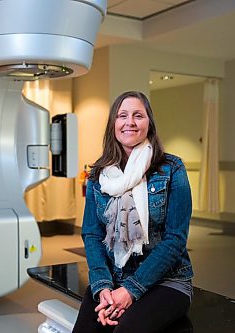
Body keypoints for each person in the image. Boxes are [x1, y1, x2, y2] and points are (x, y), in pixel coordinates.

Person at [72, 91, 193, 333]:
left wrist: (131, 290)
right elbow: (92, 234)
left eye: (138, 115)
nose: (130, 122)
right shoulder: (99, 174)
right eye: (122, 115)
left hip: (167, 281)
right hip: (113, 277)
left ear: (149, 123)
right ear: (113, 125)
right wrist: (103, 287)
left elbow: (175, 239)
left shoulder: (172, 168)